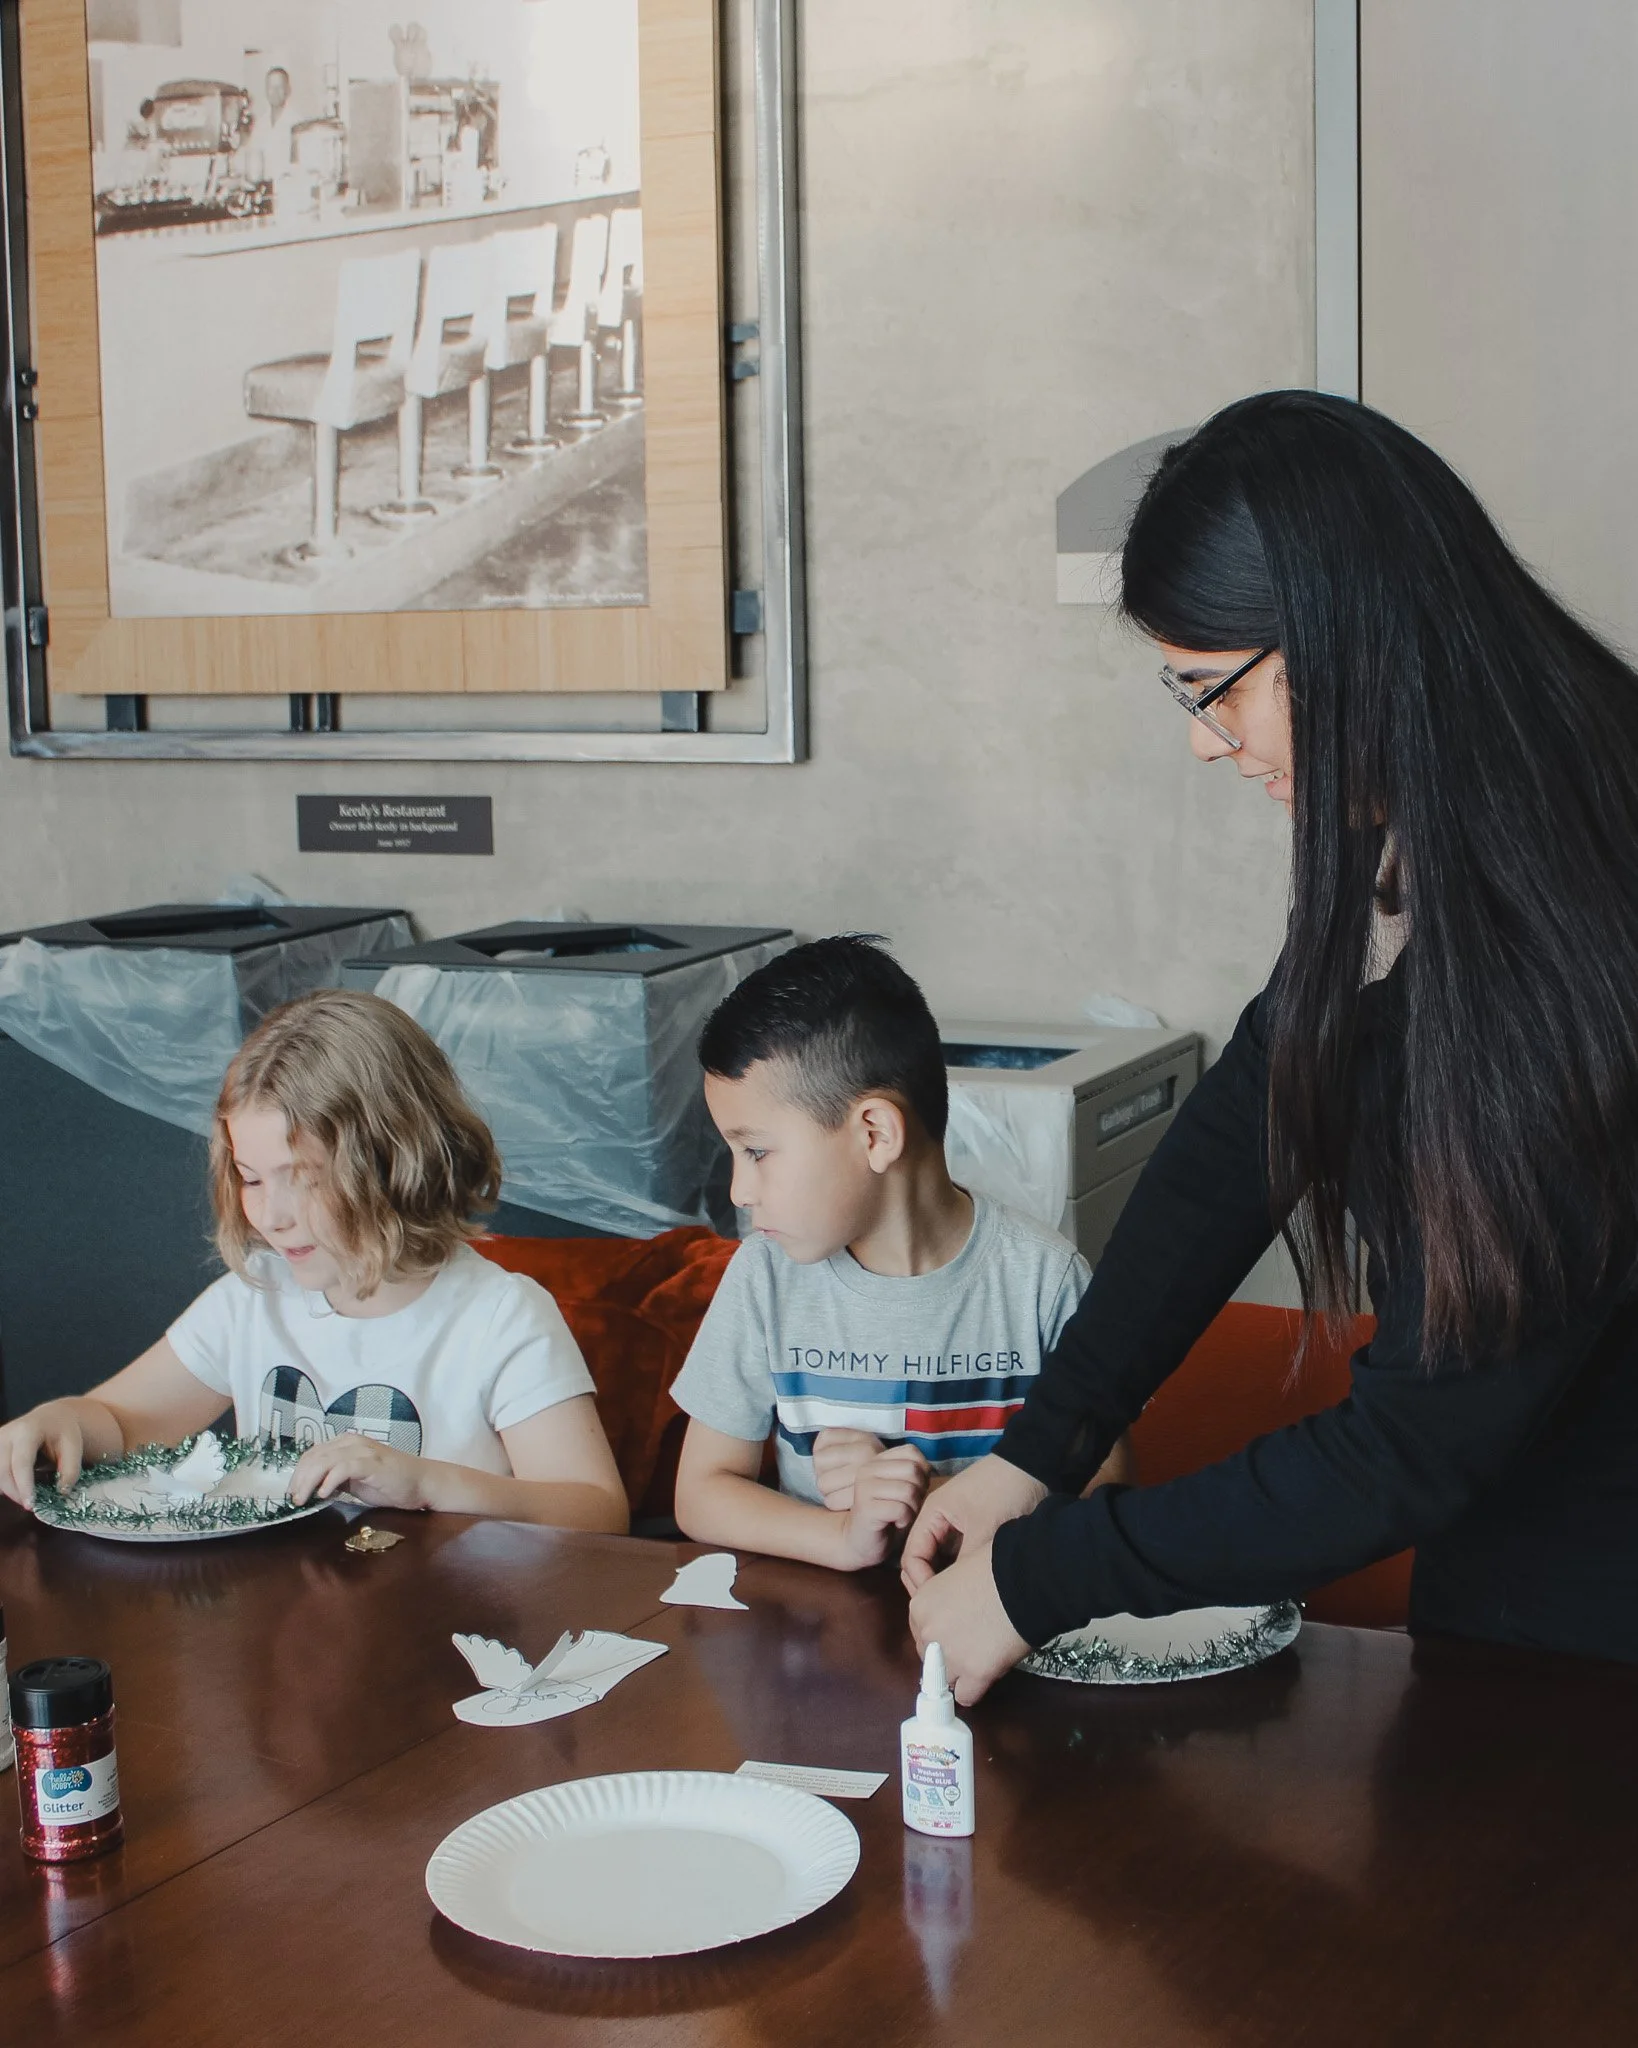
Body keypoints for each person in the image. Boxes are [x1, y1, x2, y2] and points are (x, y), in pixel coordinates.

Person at [902, 388, 1638, 1697]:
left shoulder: (1571, 910)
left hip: (1587, 1653)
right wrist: (1039, 1448)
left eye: (1213, 689)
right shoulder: (1473, 801)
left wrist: (1040, 1576)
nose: (1205, 742)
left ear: (1344, 632)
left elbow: (1408, 1445)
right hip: (1510, 1582)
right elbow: (1251, 1116)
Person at [0, 989, 628, 1531]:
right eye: (251, 1179)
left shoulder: (501, 1317)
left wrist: (427, 1483)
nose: (271, 1216)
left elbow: (597, 1513)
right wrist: (62, 1420)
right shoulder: (252, 1300)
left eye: (303, 1179)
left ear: (397, 1160)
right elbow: (120, 1424)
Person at [671, 935, 1110, 1570]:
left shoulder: (1043, 1279)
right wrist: (843, 1536)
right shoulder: (764, 1277)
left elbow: (1104, 1492)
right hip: (825, 1619)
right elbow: (702, 1493)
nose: (739, 1190)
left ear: (875, 1133)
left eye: (757, 1151)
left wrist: (928, 1498)